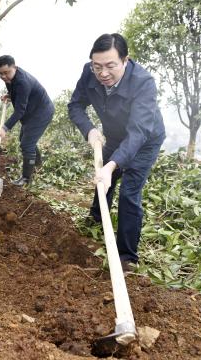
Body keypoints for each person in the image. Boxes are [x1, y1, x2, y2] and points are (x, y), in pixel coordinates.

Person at [68, 33, 166, 272]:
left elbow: (138, 132)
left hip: (144, 141)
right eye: (97, 66)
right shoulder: (89, 72)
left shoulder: (144, 83)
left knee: (129, 193)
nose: (102, 73)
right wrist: (90, 130)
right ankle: (96, 217)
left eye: (110, 66)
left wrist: (113, 165)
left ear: (125, 61)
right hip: (114, 136)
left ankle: (127, 256)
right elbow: (75, 105)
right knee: (103, 180)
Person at [0, 55, 55, 186]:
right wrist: (9, 95)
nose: (4, 76)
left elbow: (19, 111)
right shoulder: (10, 78)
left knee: (26, 144)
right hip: (31, 110)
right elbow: (17, 92)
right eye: (0, 74)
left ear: (14, 68)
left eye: (6, 73)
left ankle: (26, 178)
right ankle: (37, 164)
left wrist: (5, 127)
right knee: (25, 138)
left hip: (41, 113)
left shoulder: (23, 82)